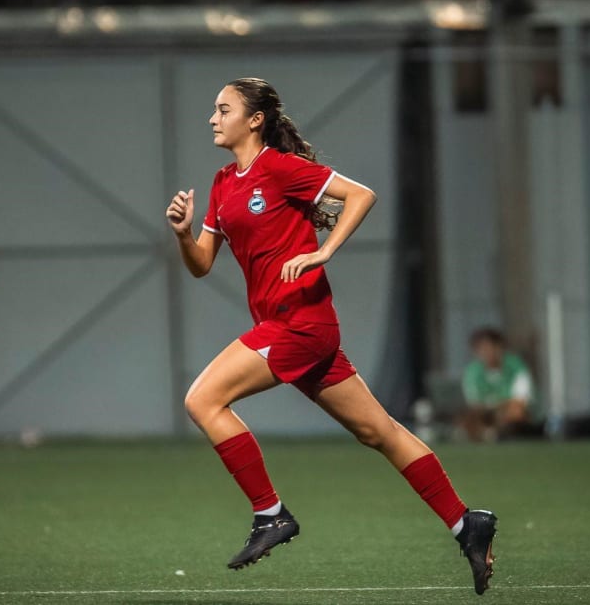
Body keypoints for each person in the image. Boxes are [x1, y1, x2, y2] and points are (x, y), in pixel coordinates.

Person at [165, 77, 497, 596]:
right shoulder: (224, 182)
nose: (213, 117)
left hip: (299, 323)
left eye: (223, 108)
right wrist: (185, 235)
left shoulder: (278, 167)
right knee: (379, 432)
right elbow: (202, 265)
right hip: (291, 327)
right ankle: (465, 523)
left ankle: (270, 514)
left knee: (203, 399)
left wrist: (324, 252)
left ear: (254, 120)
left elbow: (360, 195)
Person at [460, 327, 538, 442]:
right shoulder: (473, 371)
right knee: (469, 417)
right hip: (487, 414)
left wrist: (497, 407)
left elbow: (520, 400)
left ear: (499, 347)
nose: (485, 353)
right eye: (481, 349)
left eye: (488, 347)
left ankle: (497, 433)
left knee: (515, 411)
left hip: (510, 414)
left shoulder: (516, 366)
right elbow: (474, 402)